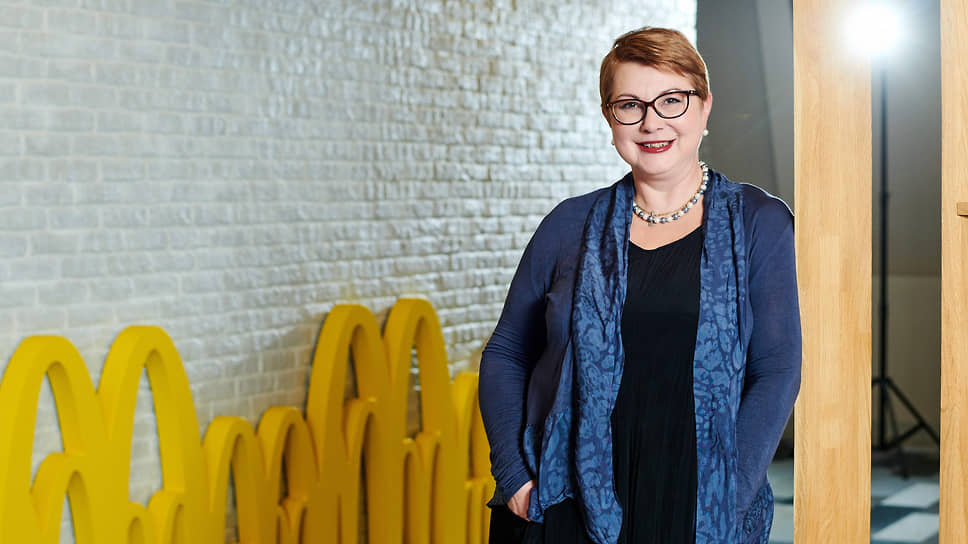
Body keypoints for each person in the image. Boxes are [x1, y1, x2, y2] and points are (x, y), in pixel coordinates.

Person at [477, 27, 801, 544]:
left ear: (704, 107)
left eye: (672, 100)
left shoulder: (759, 222)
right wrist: (515, 477)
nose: (652, 122)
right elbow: (507, 351)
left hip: (697, 507)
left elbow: (777, 368)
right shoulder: (568, 224)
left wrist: (728, 498)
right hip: (565, 502)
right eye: (630, 105)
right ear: (610, 119)